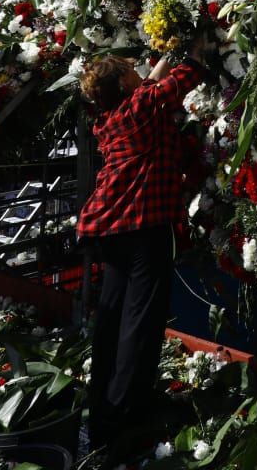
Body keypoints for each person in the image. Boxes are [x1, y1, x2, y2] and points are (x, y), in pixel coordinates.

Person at [78, 49, 206, 460]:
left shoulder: (114, 117)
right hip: (141, 229)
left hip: (112, 230)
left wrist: (162, 58)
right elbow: (185, 77)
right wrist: (195, 49)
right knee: (140, 326)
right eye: (133, 71)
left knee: (113, 321)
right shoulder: (142, 107)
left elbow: (151, 84)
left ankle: (101, 417)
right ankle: (124, 426)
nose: (141, 73)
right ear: (124, 85)